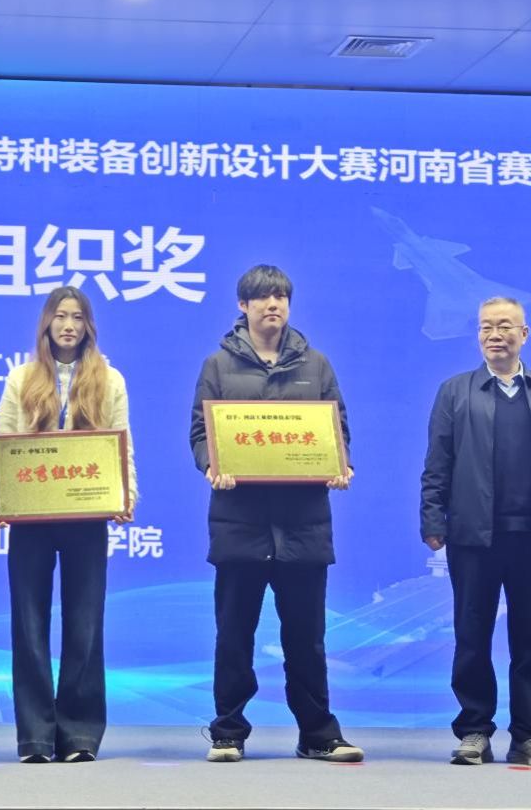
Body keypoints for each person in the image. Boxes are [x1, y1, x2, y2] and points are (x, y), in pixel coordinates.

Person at [189, 264, 360, 764]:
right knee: (234, 637)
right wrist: (211, 466)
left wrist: (341, 464)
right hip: (239, 523)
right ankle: (228, 732)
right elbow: (200, 433)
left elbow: (338, 429)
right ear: (242, 306)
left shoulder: (317, 365)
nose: (273, 305)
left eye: (281, 297)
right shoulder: (218, 366)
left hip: (303, 525)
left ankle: (318, 734)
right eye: (263, 297)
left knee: (307, 640)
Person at [420, 297, 531, 769]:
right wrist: (432, 519)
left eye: (505, 326)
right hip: (474, 537)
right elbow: (437, 464)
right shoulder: (455, 391)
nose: (495, 335)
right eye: (486, 327)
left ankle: (529, 735)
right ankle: (474, 730)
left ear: (524, 334)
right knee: (471, 636)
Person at [0, 286, 137, 764]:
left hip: (87, 514)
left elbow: (122, 442)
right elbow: (2, 440)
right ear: (46, 324)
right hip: (30, 515)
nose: (68, 325)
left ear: (88, 326)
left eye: (77, 317)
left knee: (85, 623)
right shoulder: (22, 377)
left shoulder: (109, 378)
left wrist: (125, 495)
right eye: (60, 316)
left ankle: (79, 735)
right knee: (28, 624)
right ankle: (34, 737)